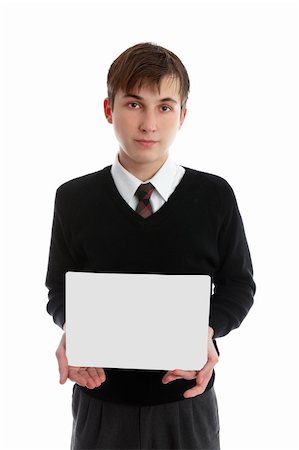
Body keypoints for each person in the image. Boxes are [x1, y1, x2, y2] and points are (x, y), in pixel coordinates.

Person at [45, 42, 256, 450]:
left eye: (164, 107)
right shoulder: (73, 199)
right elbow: (59, 288)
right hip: (100, 403)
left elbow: (238, 285)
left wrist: (208, 331)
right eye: (134, 104)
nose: (149, 124)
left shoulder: (214, 196)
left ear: (183, 115)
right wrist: (75, 327)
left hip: (185, 403)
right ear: (109, 110)